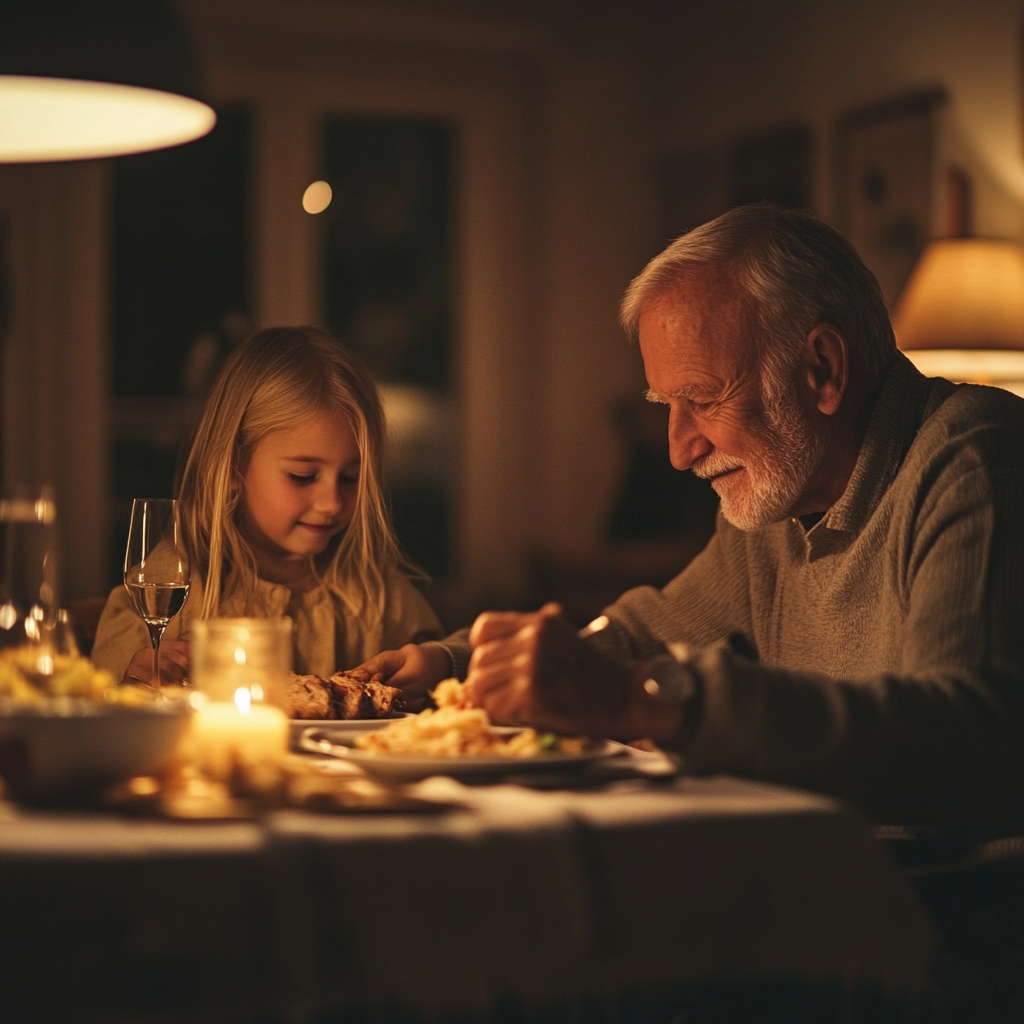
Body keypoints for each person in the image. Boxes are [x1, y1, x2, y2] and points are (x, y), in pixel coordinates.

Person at [361, 205, 1024, 825]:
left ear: (822, 369)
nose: (680, 451)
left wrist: (647, 699)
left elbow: (965, 737)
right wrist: (460, 665)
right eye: (666, 406)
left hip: (963, 912)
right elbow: (643, 631)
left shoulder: (974, 458)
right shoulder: (777, 503)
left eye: (702, 400)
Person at [93, 326, 443, 683]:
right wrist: (138, 669)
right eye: (303, 476)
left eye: (352, 477)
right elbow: (103, 680)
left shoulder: (373, 591)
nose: (332, 502)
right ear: (232, 467)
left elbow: (445, 670)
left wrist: (431, 666)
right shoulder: (177, 578)